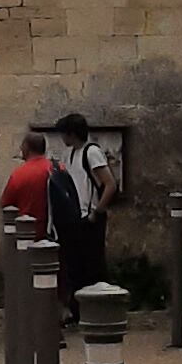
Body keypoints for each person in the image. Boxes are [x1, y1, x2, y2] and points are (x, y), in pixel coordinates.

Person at [50, 111, 116, 317]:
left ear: (72, 134)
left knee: (93, 265)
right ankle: (79, 310)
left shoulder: (91, 152)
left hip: (90, 216)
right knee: (76, 266)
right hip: (75, 216)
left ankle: (100, 310)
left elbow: (110, 184)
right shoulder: (70, 154)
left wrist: (97, 211)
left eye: (64, 134)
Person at [0, 128, 53, 237]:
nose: (20, 148)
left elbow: (5, 202)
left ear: (27, 148)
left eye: (22, 145)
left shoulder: (19, 174)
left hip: (28, 233)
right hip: (55, 233)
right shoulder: (58, 168)